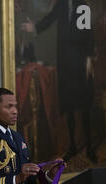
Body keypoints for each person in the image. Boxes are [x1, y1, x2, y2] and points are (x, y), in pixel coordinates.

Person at [21, 0, 96, 162]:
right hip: (64, 61)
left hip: (79, 61)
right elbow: (50, 19)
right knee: (68, 104)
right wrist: (35, 27)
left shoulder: (82, 6)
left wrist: (89, 58)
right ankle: (72, 147)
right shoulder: (62, 4)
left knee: (84, 105)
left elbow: (88, 33)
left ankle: (89, 147)